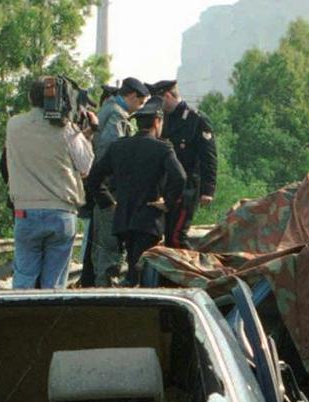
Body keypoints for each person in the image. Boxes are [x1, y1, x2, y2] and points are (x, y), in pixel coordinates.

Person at [2, 77, 95, 289]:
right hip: (61, 213)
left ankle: (21, 318)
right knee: (54, 283)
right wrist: (86, 133)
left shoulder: (13, 125)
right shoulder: (67, 129)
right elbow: (85, 166)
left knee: (24, 279)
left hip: (24, 211)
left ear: (30, 98)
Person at [85, 97, 185, 286]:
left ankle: (128, 288)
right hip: (149, 218)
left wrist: (108, 201)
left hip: (123, 219)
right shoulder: (162, 148)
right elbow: (180, 177)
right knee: (144, 270)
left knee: (132, 263)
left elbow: (94, 178)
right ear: (157, 121)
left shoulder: (118, 147)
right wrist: (168, 203)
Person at [88, 77, 150, 285]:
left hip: (102, 189)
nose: (138, 109)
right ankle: (106, 293)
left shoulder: (108, 109)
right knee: (111, 248)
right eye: (139, 103)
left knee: (102, 248)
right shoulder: (116, 114)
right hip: (110, 191)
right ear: (132, 96)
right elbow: (112, 151)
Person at [152, 79, 217, 248]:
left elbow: (208, 157)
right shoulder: (160, 120)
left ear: (167, 96)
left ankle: (191, 272)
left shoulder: (196, 119)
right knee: (161, 236)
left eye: (159, 100)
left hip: (186, 187)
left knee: (176, 237)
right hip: (164, 187)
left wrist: (207, 190)